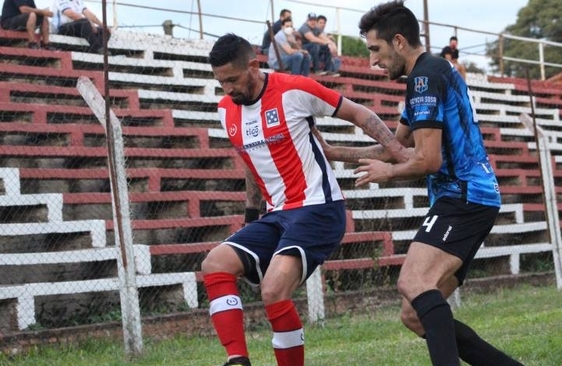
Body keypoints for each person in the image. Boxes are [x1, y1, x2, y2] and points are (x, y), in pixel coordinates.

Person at [315, 2, 524, 365]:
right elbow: (399, 148)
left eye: (375, 50)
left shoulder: (425, 78)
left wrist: (388, 175)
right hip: (473, 198)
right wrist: (334, 152)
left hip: (463, 197)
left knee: (413, 283)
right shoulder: (426, 75)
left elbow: (427, 162)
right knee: (415, 313)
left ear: (398, 41)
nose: (372, 62)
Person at [205, 33, 408, 366]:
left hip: (318, 208)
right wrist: (251, 217)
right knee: (216, 263)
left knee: (272, 291)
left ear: (254, 66)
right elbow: (251, 163)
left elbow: (358, 113)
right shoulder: (226, 110)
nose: (227, 89)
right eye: (221, 82)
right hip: (277, 216)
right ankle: (237, 360)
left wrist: (397, 152)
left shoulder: (293, 89)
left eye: (232, 79)